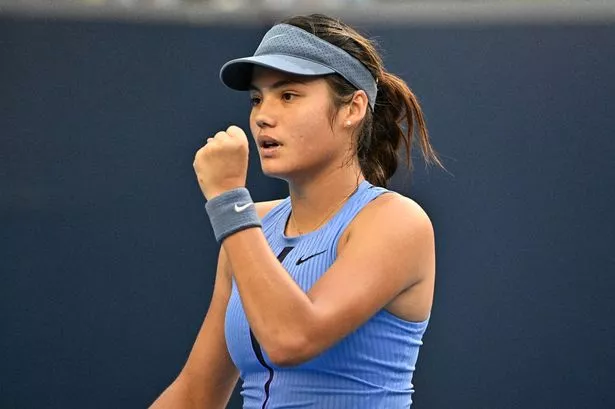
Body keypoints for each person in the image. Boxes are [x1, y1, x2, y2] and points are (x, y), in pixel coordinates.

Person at [150, 13, 443, 409]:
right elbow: (196, 395)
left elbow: (291, 339)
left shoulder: (395, 221)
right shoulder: (251, 226)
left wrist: (229, 199)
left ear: (352, 108)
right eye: (257, 99)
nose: (262, 116)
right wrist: (236, 209)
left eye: (288, 95)